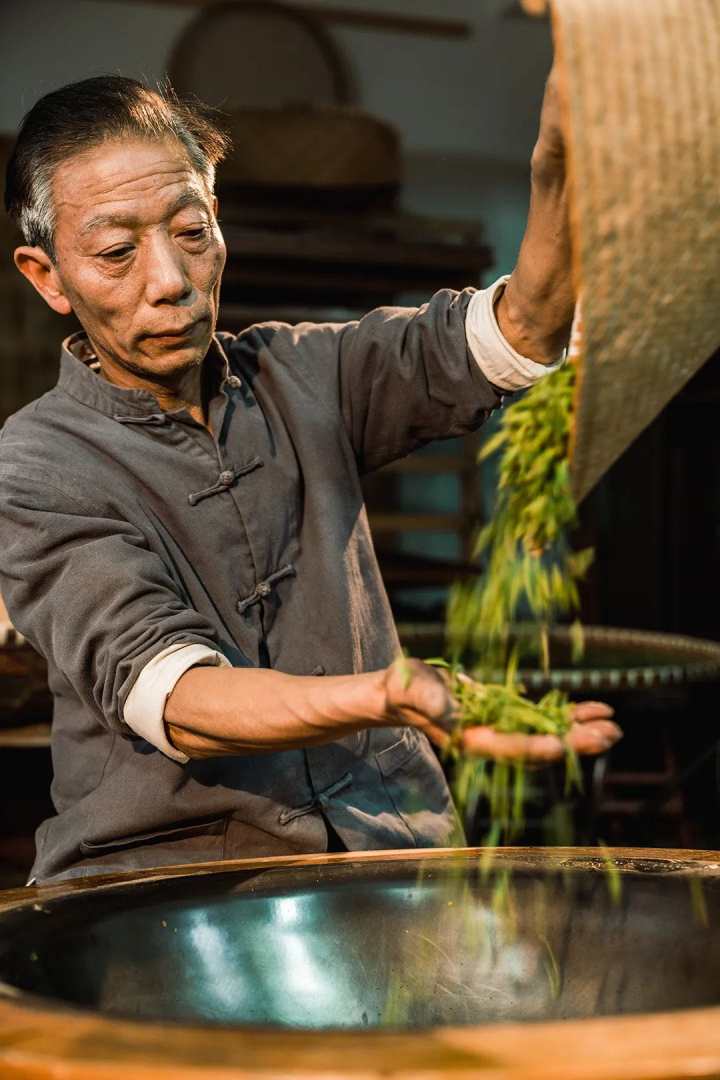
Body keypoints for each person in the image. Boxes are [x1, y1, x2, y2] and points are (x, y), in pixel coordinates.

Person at [0, 72, 619, 884]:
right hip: (166, 882)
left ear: (217, 219)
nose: (170, 281)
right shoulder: (36, 464)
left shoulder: (305, 373)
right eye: (117, 253)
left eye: (191, 231)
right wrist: (388, 696)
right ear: (47, 276)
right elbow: (178, 699)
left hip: (391, 854)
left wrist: (557, 166)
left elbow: (520, 333)